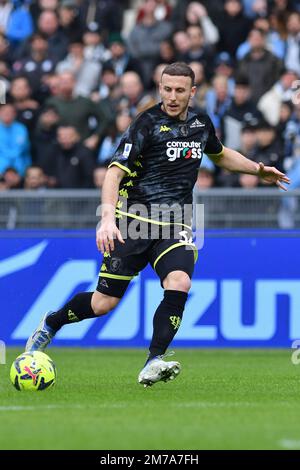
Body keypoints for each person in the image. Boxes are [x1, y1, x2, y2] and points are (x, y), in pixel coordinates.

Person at [25, 62, 290, 387]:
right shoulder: (146, 124)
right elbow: (114, 172)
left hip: (175, 224)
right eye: (167, 89)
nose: (173, 96)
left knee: (179, 281)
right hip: (132, 223)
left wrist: (258, 169)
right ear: (160, 88)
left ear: (192, 92)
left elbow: (220, 155)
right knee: (103, 303)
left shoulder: (200, 123)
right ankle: (51, 322)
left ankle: (154, 360)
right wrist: (107, 217)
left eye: (180, 90)